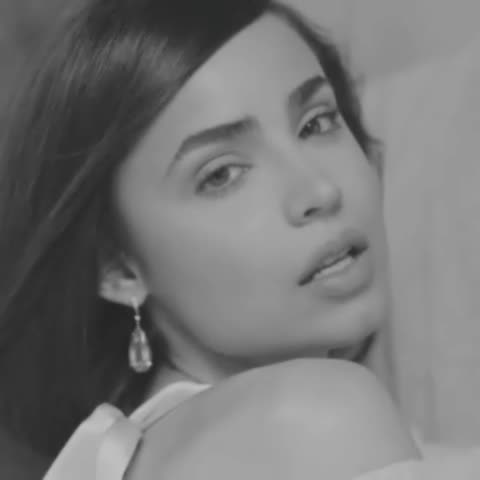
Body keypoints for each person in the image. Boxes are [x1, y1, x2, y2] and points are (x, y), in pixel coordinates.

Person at [0, 0, 478, 478]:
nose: (320, 191)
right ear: (119, 267)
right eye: (222, 174)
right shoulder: (316, 420)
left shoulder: (156, 450)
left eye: (316, 123)